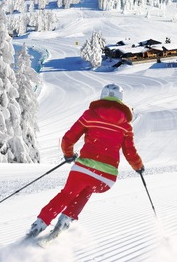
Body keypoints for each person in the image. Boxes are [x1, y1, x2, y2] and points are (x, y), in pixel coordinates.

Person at [25, 83, 144, 239]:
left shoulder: (90, 115)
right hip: (106, 178)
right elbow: (130, 152)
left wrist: (69, 154)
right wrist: (138, 166)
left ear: (102, 97)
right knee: (87, 189)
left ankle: (41, 223)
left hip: (83, 169)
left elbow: (68, 139)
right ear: (121, 100)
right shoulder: (126, 126)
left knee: (67, 194)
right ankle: (65, 221)